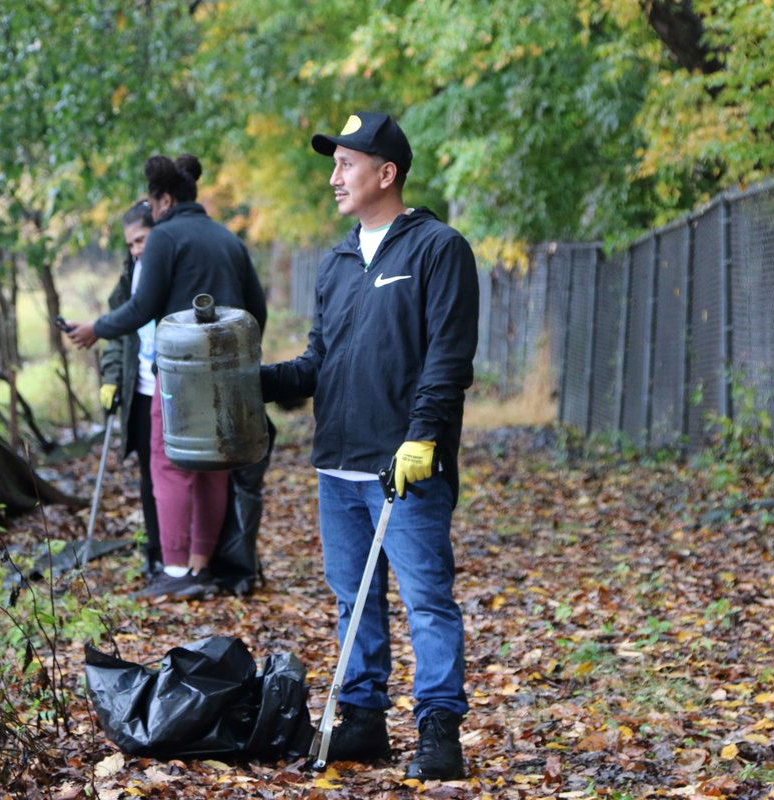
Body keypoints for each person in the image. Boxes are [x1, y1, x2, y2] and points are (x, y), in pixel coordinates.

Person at [260, 111, 479, 781]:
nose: (335, 178)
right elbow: (318, 362)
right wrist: (247, 381)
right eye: (335, 165)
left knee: (426, 599)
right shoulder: (336, 260)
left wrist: (422, 440)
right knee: (353, 599)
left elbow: (448, 357)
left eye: (346, 164)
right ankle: (363, 720)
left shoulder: (437, 249)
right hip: (337, 464)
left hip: (404, 466)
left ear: (386, 173)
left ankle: (439, 729)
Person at [66, 154, 267, 600]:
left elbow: (143, 307)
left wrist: (94, 328)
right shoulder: (228, 240)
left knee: (170, 467)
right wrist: (239, 364)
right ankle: (201, 568)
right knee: (213, 469)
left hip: (178, 376)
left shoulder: (166, 237)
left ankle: (174, 571)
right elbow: (258, 308)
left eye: (153, 206)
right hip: (227, 380)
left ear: (165, 201)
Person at [98, 200, 163, 577]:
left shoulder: (172, 270)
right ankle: (154, 552)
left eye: (142, 240)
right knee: (148, 474)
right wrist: (111, 378)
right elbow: (116, 335)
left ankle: (178, 553)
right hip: (138, 389)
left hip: (170, 387)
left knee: (175, 473)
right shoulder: (129, 277)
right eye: (131, 244)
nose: (137, 250)